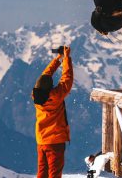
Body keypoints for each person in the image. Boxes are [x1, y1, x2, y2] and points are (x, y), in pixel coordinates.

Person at [32, 46, 73, 178]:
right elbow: (67, 78)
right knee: (54, 174)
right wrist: (66, 58)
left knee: (42, 172)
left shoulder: (35, 96)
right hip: (55, 142)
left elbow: (44, 77)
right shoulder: (56, 96)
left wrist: (57, 59)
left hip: (41, 141)